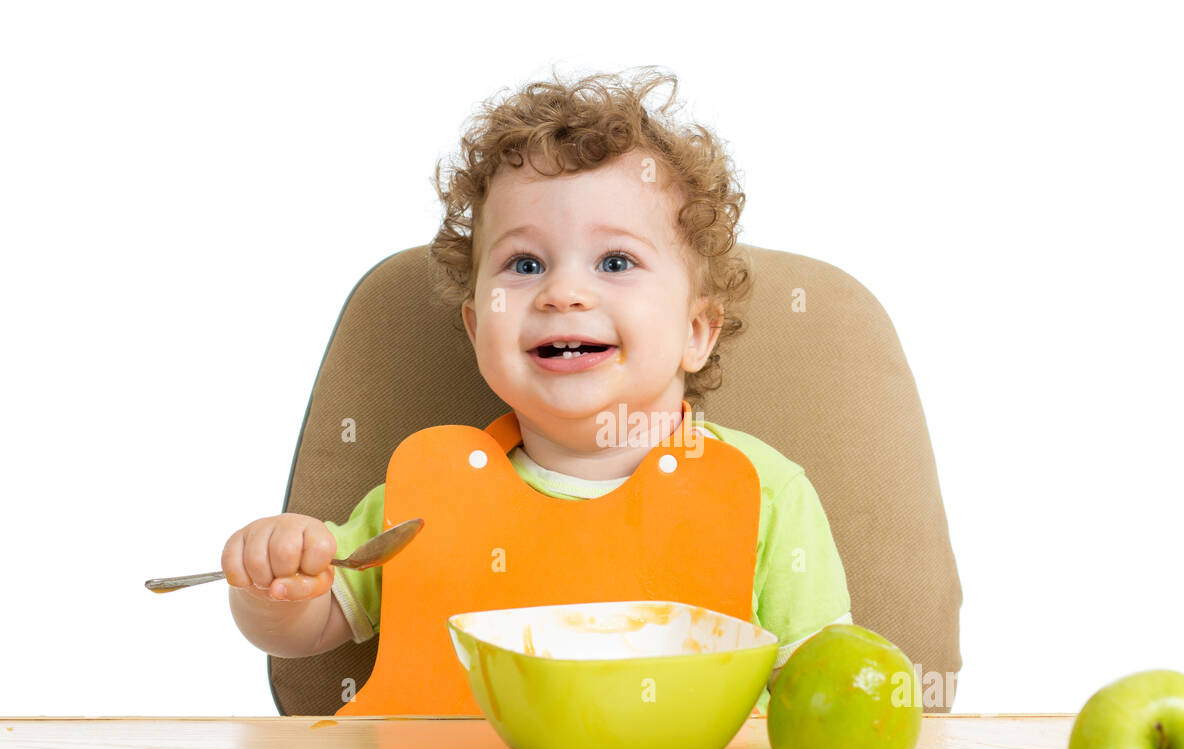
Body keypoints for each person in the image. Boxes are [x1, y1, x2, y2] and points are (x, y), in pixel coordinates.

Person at [224, 67, 852, 715]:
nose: (563, 293)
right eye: (525, 265)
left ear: (697, 331)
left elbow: (825, 689)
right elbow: (308, 632)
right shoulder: (427, 496)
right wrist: (273, 586)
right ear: (476, 329)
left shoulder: (765, 491)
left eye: (615, 262)